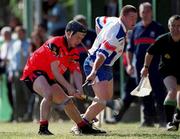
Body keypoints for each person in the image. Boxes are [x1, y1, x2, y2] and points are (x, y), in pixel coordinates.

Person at [20, 20, 105, 135]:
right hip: (33, 71)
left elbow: (76, 72)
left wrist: (79, 89)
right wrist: (69, 87)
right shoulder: (55, 43)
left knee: (67, 101)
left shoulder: (74, 51)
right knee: (48, 93)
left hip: (47, 76)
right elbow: (55, 71)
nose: (80, 41)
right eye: (78, 37)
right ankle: (43, 129)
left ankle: (83, 128)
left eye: (82, 38)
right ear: (69, 33)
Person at [71, 5, 137, 133]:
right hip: (96, 63)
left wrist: (100, 39)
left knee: (105, 98)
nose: (134, 21)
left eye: (136, 18)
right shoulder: (116, 34)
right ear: (123, 17)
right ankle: (80, 127)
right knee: (103, 101)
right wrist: (94, 71)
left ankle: (84, 121)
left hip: (106, 65)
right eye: (131, 18)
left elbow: (98, 20)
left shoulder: (113, 20)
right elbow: (101, 55)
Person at [126, 2, 166, 127]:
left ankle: (163, 120)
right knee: (143, 93)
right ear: (140, 13)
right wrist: (129, 65)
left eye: (148, 11)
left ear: (152, 12)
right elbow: (130, 49)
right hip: (139, 67)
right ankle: (148, 120)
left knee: (159, 93)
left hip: (156, 66)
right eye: (143, 12)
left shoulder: (158, 28)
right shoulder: (135, 29)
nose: (146, 14)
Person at [141, 15, 180, 131]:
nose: (176, 28)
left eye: (179, 26)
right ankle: (169, 122)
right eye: (173, 26)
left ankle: (177, 117)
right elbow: (150, 52)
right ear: (169, 27)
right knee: (172, 90)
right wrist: (145, 67)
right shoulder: (162, 39)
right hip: (167, 70)